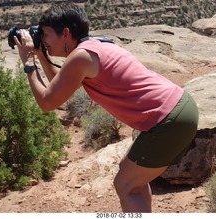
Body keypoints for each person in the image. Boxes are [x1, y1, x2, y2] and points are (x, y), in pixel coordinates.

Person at [14, 1, 199, 213]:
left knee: (126, 185)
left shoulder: (81, 57)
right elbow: (60, 89)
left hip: (168, 120)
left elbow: (48, 103)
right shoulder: (95, 46)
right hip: (179, 108)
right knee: (129, 177)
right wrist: (40, 56)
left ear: (65, 33)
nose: (43, 40)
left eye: (45, 35)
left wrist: (28, 64)